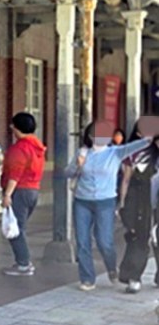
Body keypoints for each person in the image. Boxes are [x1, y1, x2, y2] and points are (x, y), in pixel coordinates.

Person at [67, 121, 157, 291]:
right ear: (90, 136)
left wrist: (149, 136)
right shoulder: (82, 153)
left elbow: (137, 145)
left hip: (105, 202)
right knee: (83, 241)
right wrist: (77, 165)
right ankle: (87, 278)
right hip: (82, 201)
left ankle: (111, 268)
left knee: (105, 241)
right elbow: (68, 173)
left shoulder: (115, 152)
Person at [0, 112, 46, 277]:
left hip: (19, 191)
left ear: (16, 127)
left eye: (13, 125)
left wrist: (7, 194)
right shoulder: (37, 147)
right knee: (20, 226)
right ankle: (22, 262)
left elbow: (15, 174)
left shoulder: (20, 148)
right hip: (33, 189)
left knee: (15, 228)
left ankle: (23, 263)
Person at [117, 123, 159, 293]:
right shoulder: (134, 154)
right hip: (140, 200)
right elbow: (126, 180)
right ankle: (134, 276)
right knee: (139, 237)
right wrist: (122, 202)